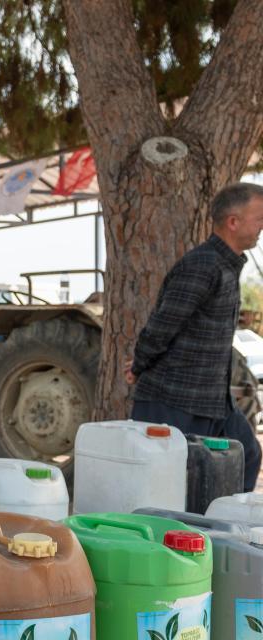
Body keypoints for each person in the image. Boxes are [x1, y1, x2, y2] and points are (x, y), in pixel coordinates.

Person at [127, 182, 263, 491]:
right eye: (259, 218)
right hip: (175, 400)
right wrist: (138, 365)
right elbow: (163, 325)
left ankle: (221, 532)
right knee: (171, 488)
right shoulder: (203, 265)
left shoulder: (226, 266)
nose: (262, 227)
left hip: (213, 402)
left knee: (248, 455)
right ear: (233, 222)